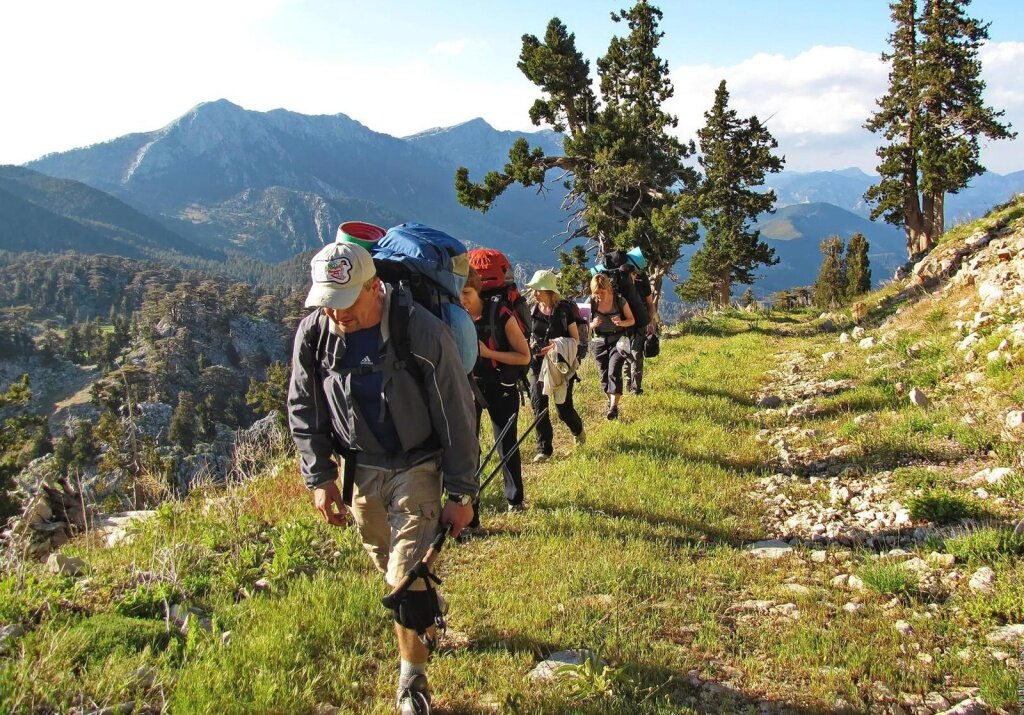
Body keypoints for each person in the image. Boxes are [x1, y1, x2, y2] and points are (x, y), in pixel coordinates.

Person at [287, 241, 479, 714]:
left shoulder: (422, 331)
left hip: (416, 466)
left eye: (346, 301)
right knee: (384, 559)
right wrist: (319, 476)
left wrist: (462, 491)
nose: (337, 314)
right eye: (327, 303)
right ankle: (426, 615)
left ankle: (412, 682)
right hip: (360, 470)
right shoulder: (315, 334)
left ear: (374, 287)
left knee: (403, 577)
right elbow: (303, 406)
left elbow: (457, 411)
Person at [460, 266, 532, 512]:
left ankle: (515, 500)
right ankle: (471, 510)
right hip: (468, 386)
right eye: (458, 293)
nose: (462, 299)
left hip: (501, 385)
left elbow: (524, 357)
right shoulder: (456, 316)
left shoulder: (499, 313)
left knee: (506, 442)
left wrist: (490, 353)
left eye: (467, 292)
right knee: (468, 449)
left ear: (477, 290)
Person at [524, 269, 586, 462]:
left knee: (563, 408)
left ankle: (578, 431)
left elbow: (575, 339)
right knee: (538, 405)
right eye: (533, 290)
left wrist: (556, 345)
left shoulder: (564, 311)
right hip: (537, 364)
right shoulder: (531, 310)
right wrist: (531, 346)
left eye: (538, 290)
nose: (534, 294)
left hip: (560, 365)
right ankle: (544, 449)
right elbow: (524, 335)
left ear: (549, 291)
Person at [589, 272, 635, 420]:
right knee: (604, 375)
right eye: (596, 292)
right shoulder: (591, 301)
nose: (599, 295)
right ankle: (610, 404)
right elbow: (581, 325)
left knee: (613, 371)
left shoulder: (619, 300)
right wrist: (592, 324)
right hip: (599, 342)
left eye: (601, 292)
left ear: (608, 288)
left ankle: (614, 407)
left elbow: (631, 320)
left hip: (618, 341)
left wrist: (621, 323)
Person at [621, 250, 658, 395]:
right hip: (627, 324)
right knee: (628, 355)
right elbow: (650, 304)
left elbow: (650, 304)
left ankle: (634, 388)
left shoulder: (642, 282)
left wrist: (650, 322)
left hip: (638, 324)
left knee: (634, 355)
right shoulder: (626, 281)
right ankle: (630, 386)